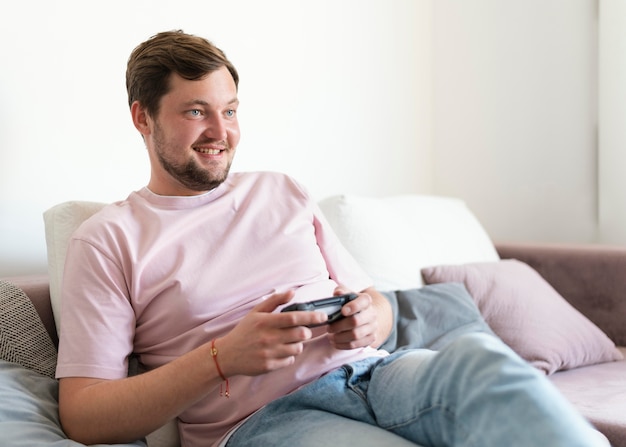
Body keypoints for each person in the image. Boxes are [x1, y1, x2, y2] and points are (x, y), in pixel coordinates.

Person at [56, 30, 607, 447]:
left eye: (229, 111)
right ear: (142, 118)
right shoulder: (108, 240)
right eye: (196, 112)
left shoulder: (282, 191)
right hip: (266, 420)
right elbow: (83, 414)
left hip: (374, 373)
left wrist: (372, 317)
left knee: (483, 362)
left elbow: (370, 302)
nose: (221, 133)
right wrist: (222, 358)